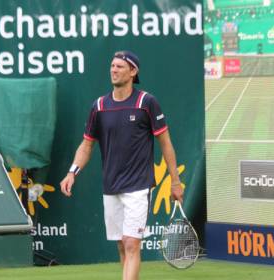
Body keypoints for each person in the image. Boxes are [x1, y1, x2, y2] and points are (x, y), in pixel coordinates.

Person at [60, 50, 183, 280]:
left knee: (131, 245)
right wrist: (72, 173)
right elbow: (86, 146)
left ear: (133, 72)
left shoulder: (146, 102)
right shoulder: (99, 106)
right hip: (111, 186)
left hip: (138, 186)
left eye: (119, 67)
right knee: (121, 246)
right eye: (112, 66)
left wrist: (175, 181)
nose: (113, 70)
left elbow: (166, 144)